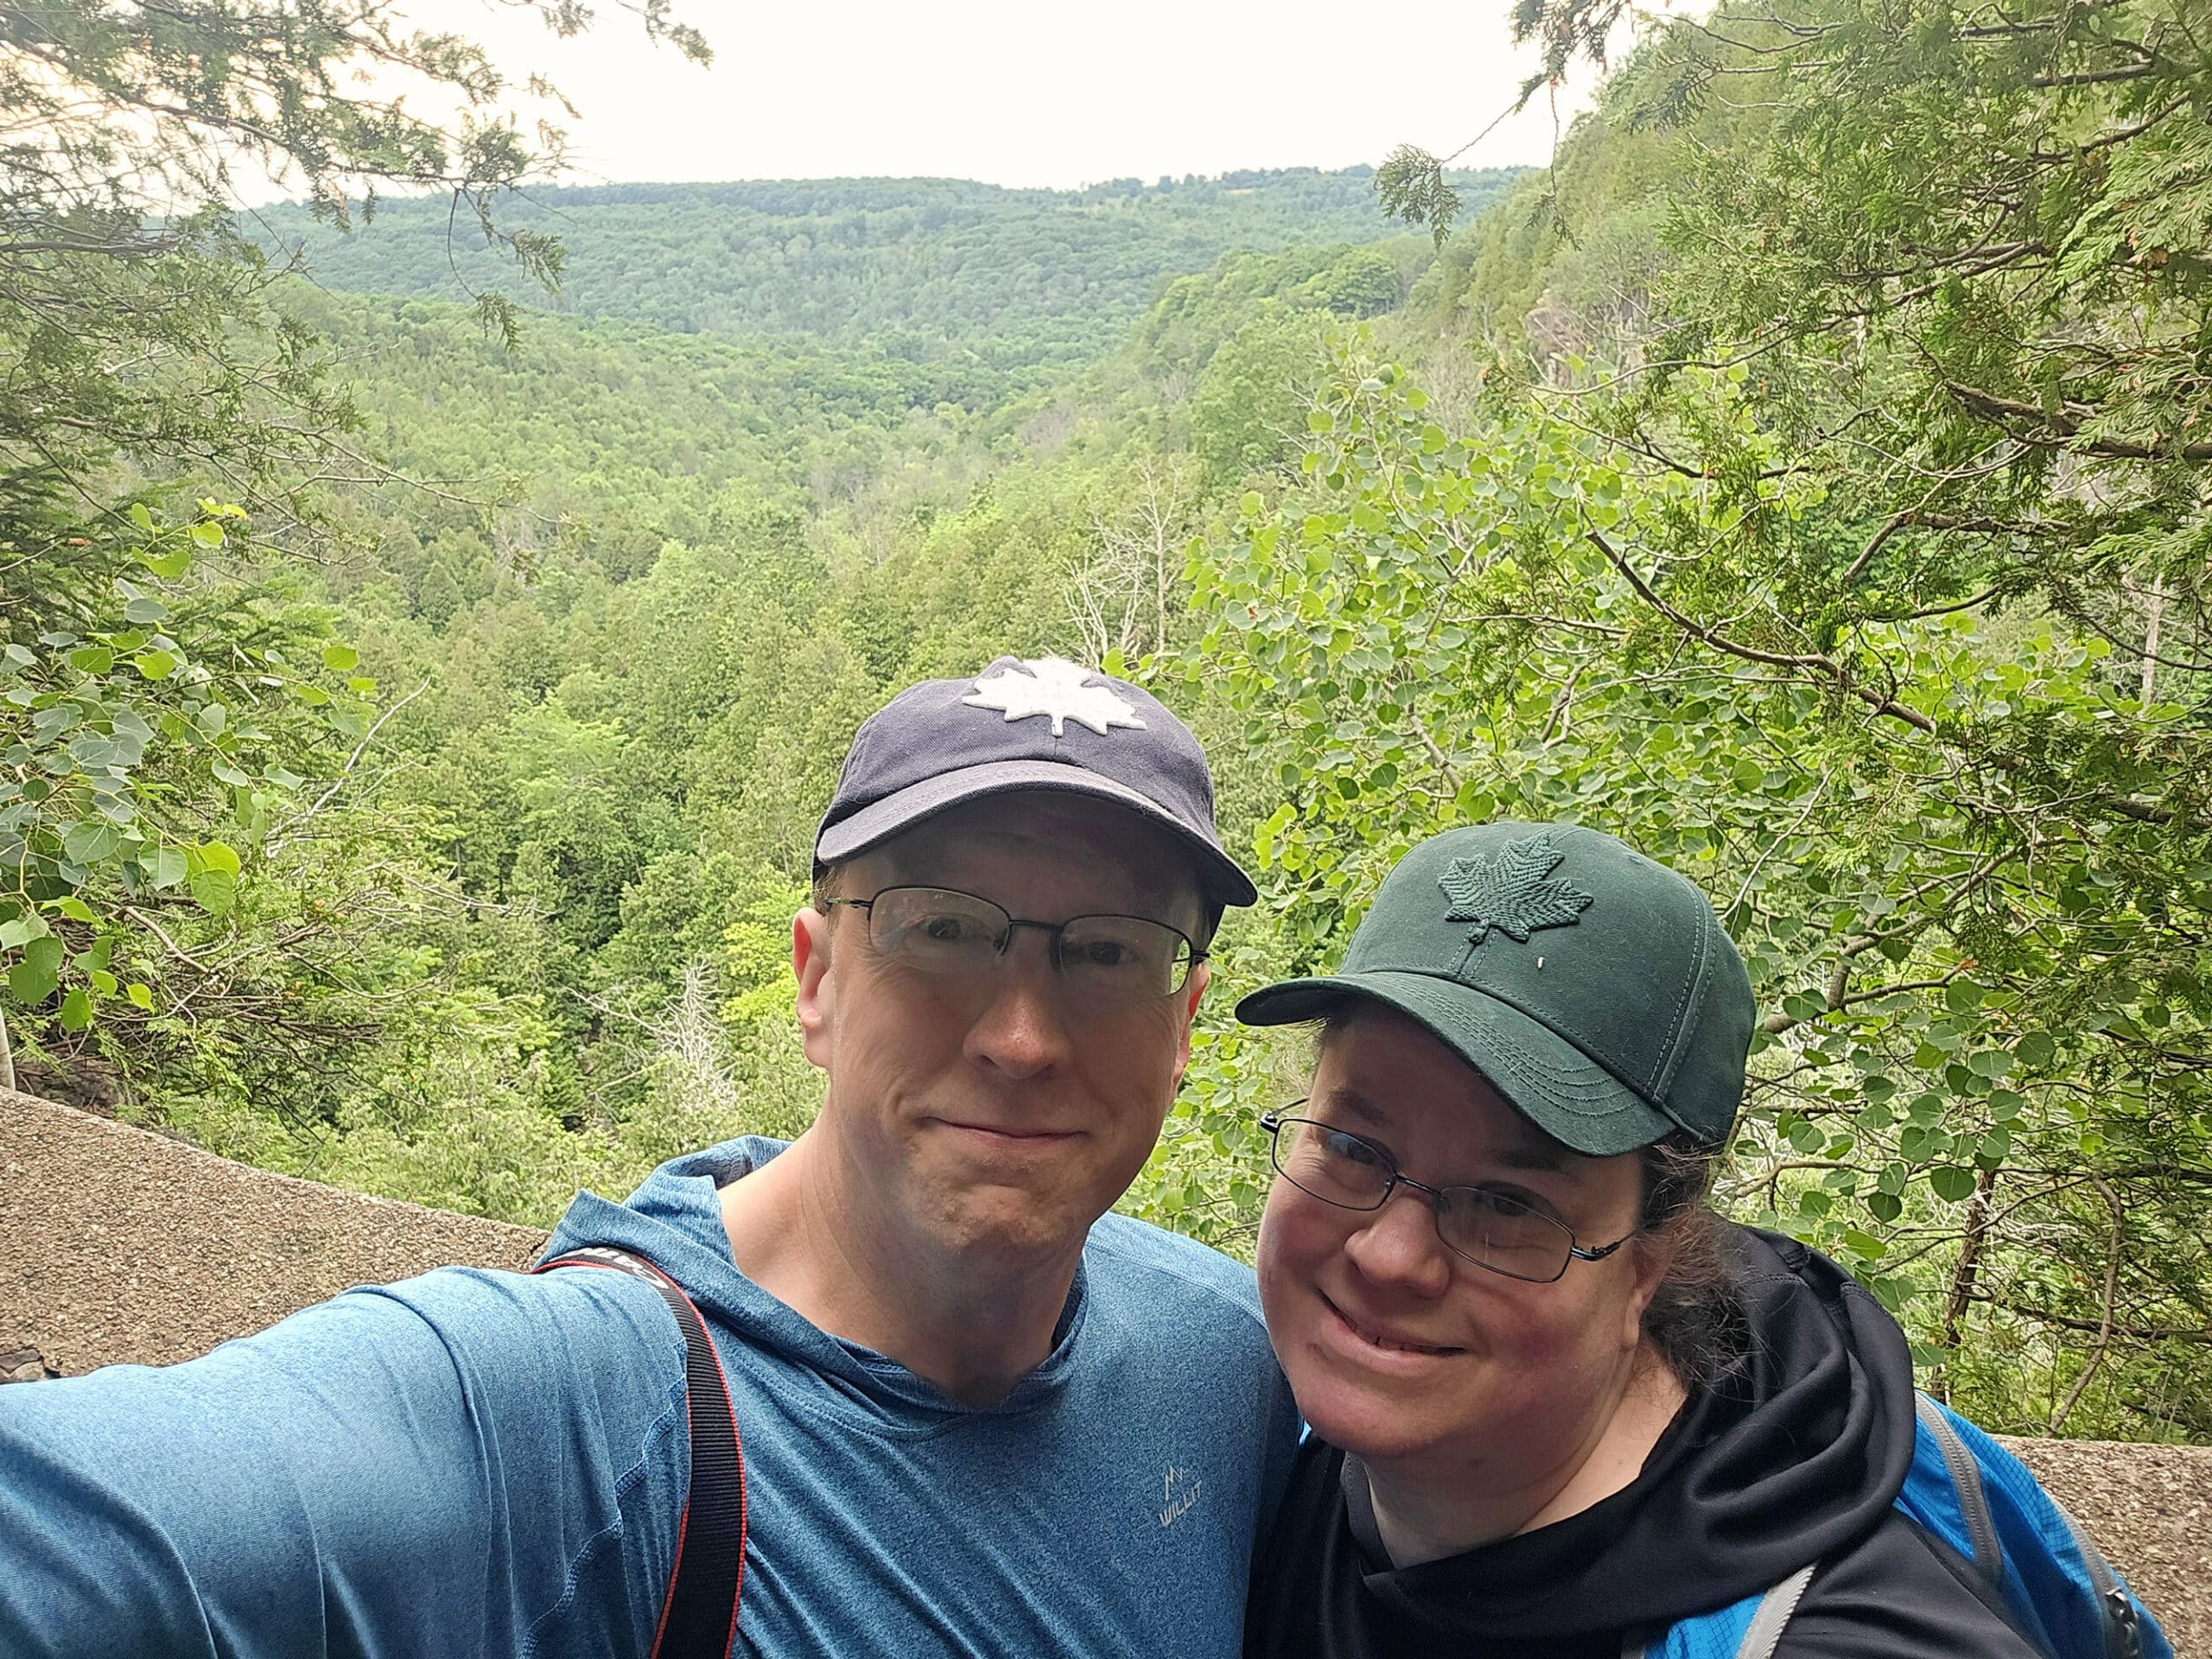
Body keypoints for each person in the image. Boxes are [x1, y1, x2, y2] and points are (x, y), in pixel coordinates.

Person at [0, 655, 1300, 1658]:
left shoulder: (1229, 1359)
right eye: (944, 929)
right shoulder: (574, 1417)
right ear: (817, 980)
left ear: (1183, 1025)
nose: (1022, 1037)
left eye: (1111, 949)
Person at [1234, 821, 2169, 1659]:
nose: (1390, 1257)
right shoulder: (1262, 1444)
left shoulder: (1840, 1633)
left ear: (1654, 1251)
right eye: (1352, 1147)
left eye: (1508, 1204)